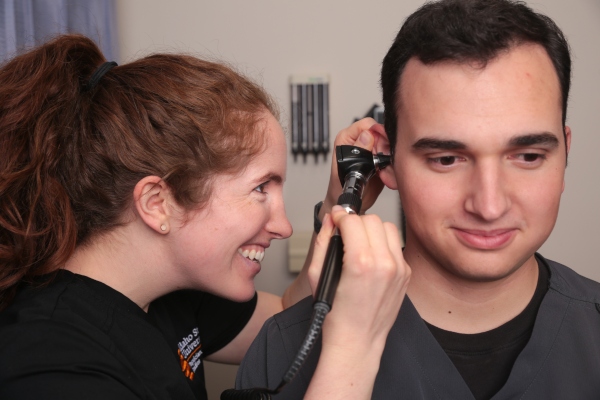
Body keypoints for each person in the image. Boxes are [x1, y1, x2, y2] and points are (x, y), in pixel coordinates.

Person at [0, 34, 410, 399]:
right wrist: (355, 345)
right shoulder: (50, 360)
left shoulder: (171, 297)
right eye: (260, 188)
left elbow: (288, 313)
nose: (284, 227)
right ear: (158, 202)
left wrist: (338, 200)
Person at [236, 0, 600, 399]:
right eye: (446, 159)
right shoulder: (283, 350)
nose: (490, 205)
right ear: (386, 159)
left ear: (565, 153)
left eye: (528, 156)